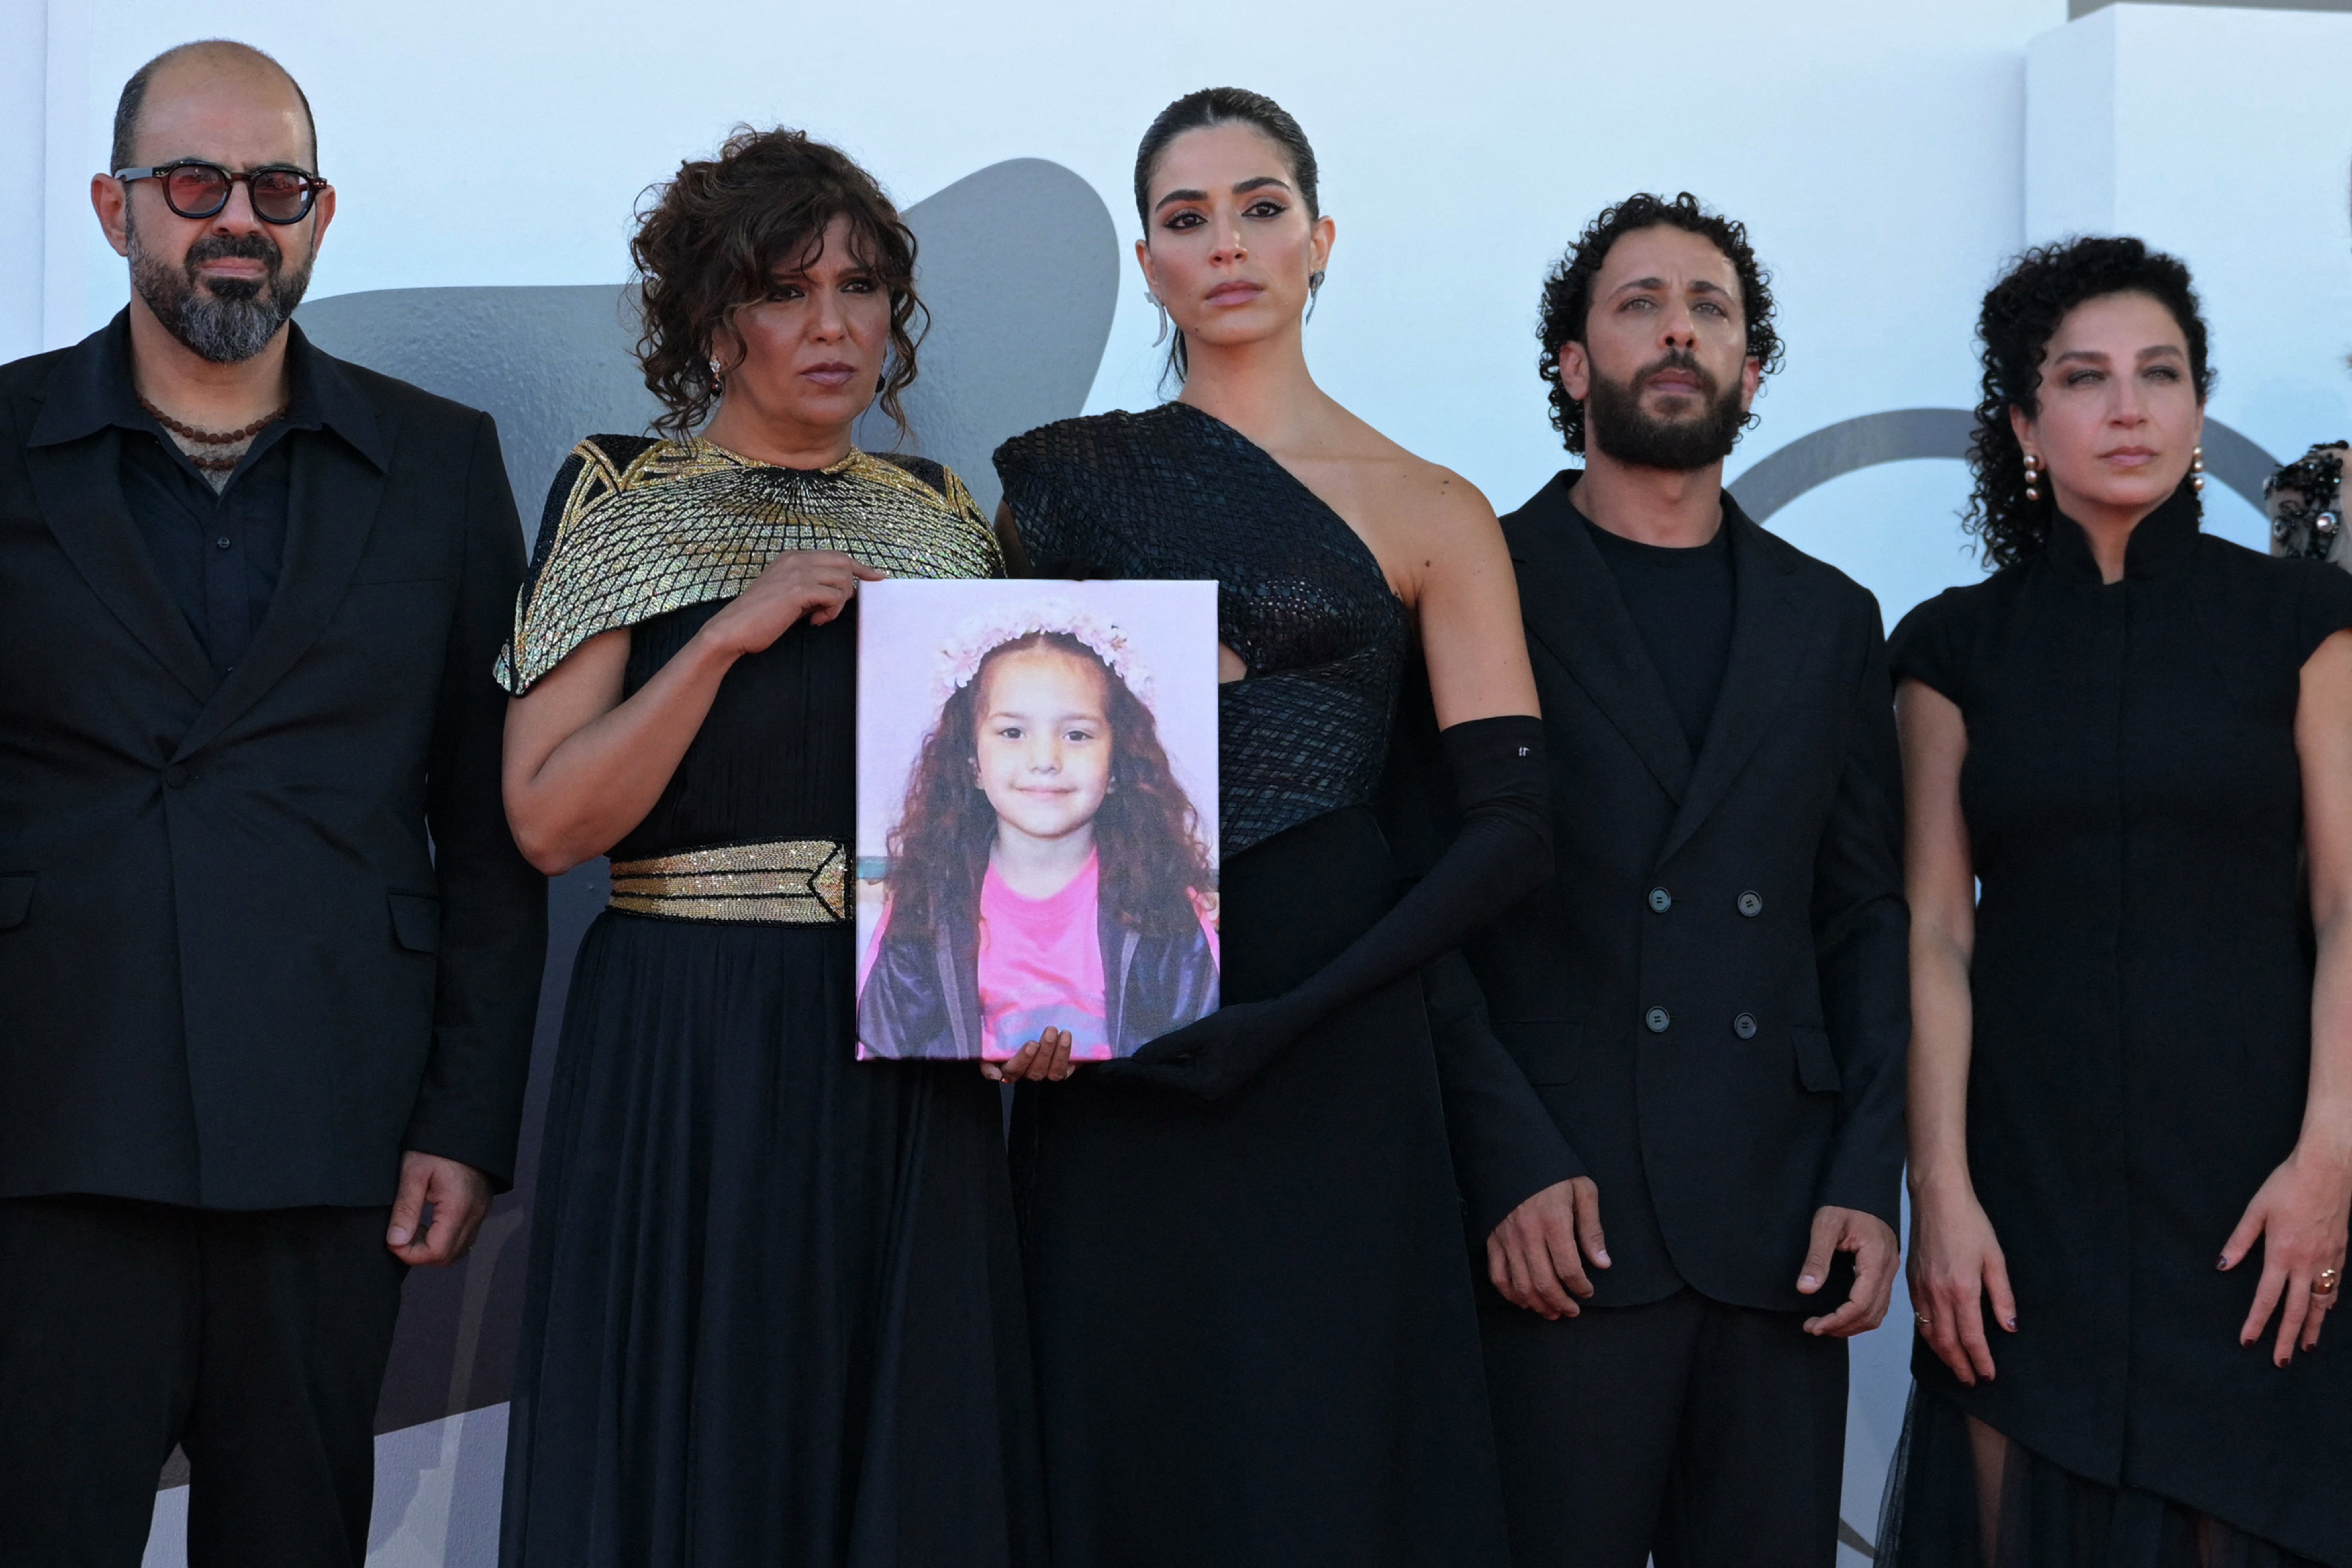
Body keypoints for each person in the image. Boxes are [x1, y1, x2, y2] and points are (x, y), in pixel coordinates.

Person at [0, 39, 546, 1566]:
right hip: (51, 1121)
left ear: (318, 214)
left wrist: (467, 1119)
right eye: (194, 183)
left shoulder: (439, 465)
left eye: (276, 187)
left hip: (335, 1130)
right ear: (117, 211)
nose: (237, 216)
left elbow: (488, 821)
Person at [993, 87, 1551, 1567]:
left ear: (1320, 240)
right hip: (1119, 1025)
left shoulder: (1434, 506)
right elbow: (1001, 775)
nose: (1227, 244)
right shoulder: (1061, 478)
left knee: (1330, 1445)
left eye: (1259, 209)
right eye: (1188, 218)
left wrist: (1301, 1010)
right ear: (1148, 258)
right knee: (1126, 1429)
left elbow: (1509, 829)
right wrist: (1021, 995)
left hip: (1342, 1027)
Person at [494, 128, 1047, 1568]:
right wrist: (724, 639)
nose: (830, 326)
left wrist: (1032, 989)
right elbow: (550, 822)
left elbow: (1010, 827)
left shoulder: (945, 528)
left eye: (860, 289)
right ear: (710, 320)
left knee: (896, 1452)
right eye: (785, 290)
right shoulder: (621, 500)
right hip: (686, 1041)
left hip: (902, 1053)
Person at [1393, 191, 1908, 1568]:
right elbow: (1421, 907)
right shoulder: (1474, 581)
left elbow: (1863, 917)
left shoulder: (1830, 617)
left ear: (1749, 367)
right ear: (1571, 362)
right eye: (1637, 304)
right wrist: (1504, 1161)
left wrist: (1869, 1171)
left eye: (1709, 309)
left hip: (1776, 1227)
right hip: (1559, 1223)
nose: (1675, 330)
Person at [1883, 236, 2352, 1568]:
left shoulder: (2304, 623)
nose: (2128, 406)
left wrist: (2328, 1158)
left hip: (2256, 1195)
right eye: (2083, 380)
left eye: (2159, 373)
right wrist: (1942, 1195)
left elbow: (2343, 904)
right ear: (2025, 426)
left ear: (2198, 409)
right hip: (2024, 1196)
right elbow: (1932, 931)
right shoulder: (1947, 648)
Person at [858, 606, 1220, 1063]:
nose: (1045, 758)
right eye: (1013, 732)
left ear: (1117, 767)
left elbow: (1204, 1054)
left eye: (1077, 735)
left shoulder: (1165, 905)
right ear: (972, 764)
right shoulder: (926, 902)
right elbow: (884, 1050)